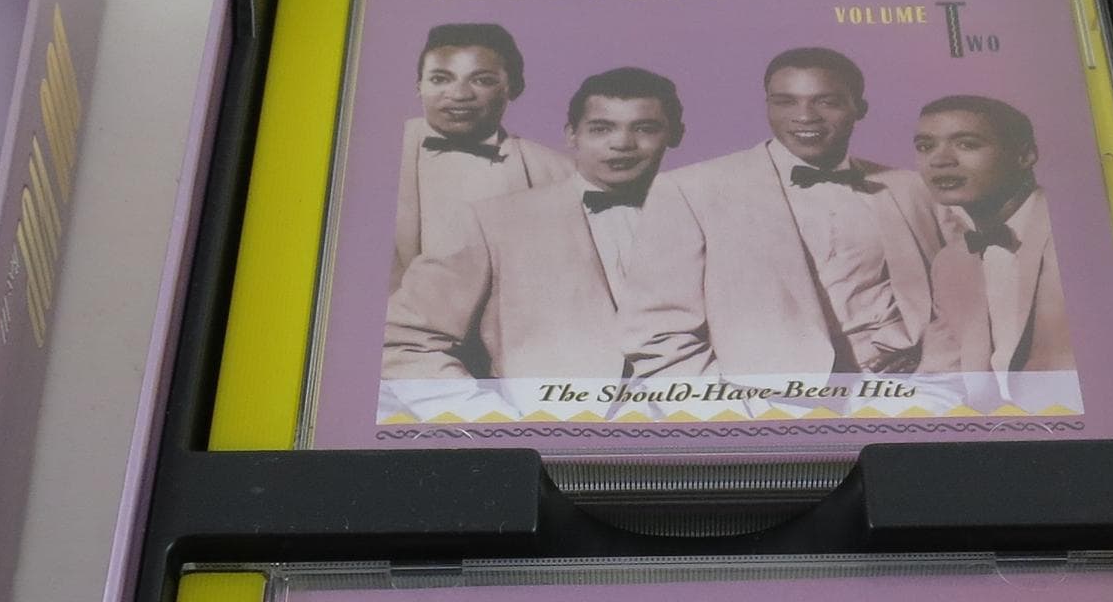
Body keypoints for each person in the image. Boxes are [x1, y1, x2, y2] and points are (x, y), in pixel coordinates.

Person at [620, 46, 950, 381]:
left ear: (859, 108)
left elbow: (959, 294)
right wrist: (727, 404)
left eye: (827, 102)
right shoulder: (689, 190)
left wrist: (931, 360)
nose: (805, 116)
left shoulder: (912, 188)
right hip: (762, 401)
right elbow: (656, 332)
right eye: (785, 102)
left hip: (902, 390)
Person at [383, 67, 685, 383]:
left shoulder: (700, 216)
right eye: (600, 128)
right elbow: (403, 341)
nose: (622, 143)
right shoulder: (492, 222)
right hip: (544, 412)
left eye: (645, 129)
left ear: (676, 134)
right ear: (571, 134)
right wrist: (483, 411)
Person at [389, 21, 575, 287]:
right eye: (440, 79)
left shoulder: (559, 173)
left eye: (482, 80)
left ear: (514, 88)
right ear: (419, 86)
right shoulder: (381, 156)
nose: (459, 95)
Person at [914, 95, 1071, 374]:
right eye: (925, 147)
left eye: (967, 144)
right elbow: (940, 376)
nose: (939, 160)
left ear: (1025, 156)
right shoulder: (949, 263)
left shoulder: (1075, 233)